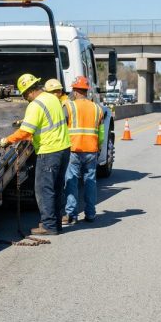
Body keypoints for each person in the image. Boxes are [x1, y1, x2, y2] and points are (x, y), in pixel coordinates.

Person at [0, 73, 71, 235]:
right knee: (57, 187)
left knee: (43, 189)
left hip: (49, 151)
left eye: (25, 95)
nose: (26, 98)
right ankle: (57, 222)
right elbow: (48, 122)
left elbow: (25, 131)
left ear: (29, 91)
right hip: (64, 148)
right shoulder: (52, 98)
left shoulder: (35, 105)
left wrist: (7, 140)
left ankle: (48, 225)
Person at [63, 76, 104, 224]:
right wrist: (98, 147)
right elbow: (101, 132)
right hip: (91, 150)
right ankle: (91, 214)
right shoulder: (97, 108)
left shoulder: (69, 106)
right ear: (87, 91)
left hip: (74, 149)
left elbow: (61, 128)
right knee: (90, 182)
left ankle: (71, 215)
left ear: (74, 90)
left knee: (72, 181)